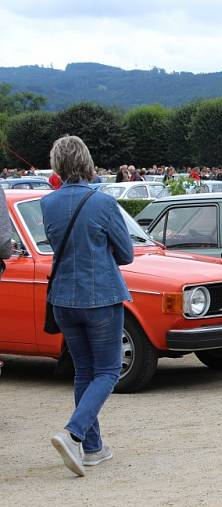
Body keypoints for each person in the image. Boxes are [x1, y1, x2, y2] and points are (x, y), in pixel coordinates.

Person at [42, 136, 134, 476]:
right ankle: (74, 433)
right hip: (101, 297)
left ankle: (94, 448)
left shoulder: (47, 203)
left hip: (63, 299)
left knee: (84, 371)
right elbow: (126, 254)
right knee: (108, 371)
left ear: (56, 165)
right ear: (87, 161)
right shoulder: (103, 203)